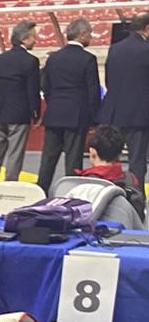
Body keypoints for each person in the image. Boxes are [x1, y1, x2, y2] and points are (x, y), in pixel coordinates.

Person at [38, 19, 100, 191]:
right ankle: (71, 193)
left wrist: (53, 103)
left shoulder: (54, 58)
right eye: (89, 34)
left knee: (48, 158)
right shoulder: (88, 59)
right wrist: (95, 118)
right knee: (73, 159)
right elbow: (93, 91)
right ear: (82, 34)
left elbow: (46, 86)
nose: (91, 37)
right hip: (76, 115)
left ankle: (41, 190)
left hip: (54, 112)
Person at [0, 21, 41, 186]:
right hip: (19, 114)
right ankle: (9, 187)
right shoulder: (30, 61)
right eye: (33, 37)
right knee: (15, 155)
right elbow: (32, 90)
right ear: (24, 39)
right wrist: (35, 113)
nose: (35, 40)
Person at [99, 11, 149, 191]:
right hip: (139, 114)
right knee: (137, 161)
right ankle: (136, 196)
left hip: (115, 111)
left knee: (110, 158)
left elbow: (109, 80)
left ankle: (110, 193)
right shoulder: (146, 49)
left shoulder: (115, 48)